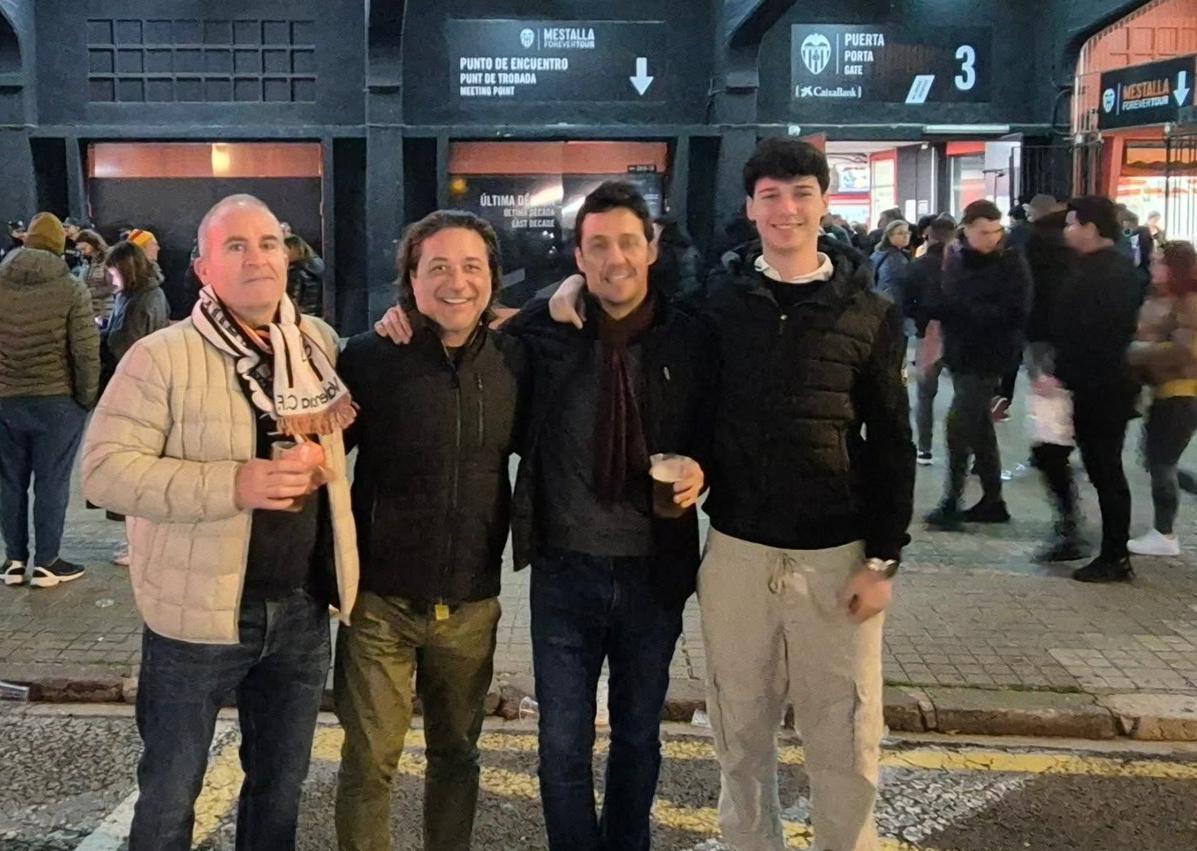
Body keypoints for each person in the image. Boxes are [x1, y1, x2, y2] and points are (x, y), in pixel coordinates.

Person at [80, 194, 360, 850]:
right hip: (195, 620)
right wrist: (231, 483)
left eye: (267, 242)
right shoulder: (161, 356)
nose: (255, 257)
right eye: (234, 246)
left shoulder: (315, 344)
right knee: (171, 793)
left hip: (299, 612)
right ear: (204, 269)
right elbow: (102, 473)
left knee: (278, 790)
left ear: (286, 256)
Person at [666, 138, 911, 851]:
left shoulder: (868, 312)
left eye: (800, 193)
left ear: (823, 202)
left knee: (844, 733)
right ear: (750, 208)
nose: (786, 209)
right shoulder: (716, 304)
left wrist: (884, 557)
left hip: (838, 555)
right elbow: (698, 413)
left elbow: (891, 439)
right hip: (738, 549)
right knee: (738, 731)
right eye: (770, 195)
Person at [333, 211, 528, 851]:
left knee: (458, 758)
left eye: (472, 266)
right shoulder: (369, 357)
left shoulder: (514, 358)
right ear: (410, 282)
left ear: (493, 280)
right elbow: (321, 457)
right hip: (379, 605)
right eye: (437, 267)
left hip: (471, 602)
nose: (456, 282)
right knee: (369, 766)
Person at [1032, 196, 1141, 582]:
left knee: (1104, 469)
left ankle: (1115, 554)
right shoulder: (1091, 266)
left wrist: (1063, 375)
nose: (1067, 231)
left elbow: (1099, 335)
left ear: (1092, 228)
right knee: (1054, 456)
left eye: (1073, 223)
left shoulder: (1112, 272)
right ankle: (1076, 534)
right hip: (1082, 384)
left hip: (1101, 388)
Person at [0, 212, 100, 589]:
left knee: (9, 482)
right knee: (52, 482)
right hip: (57, 401)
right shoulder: (70, 288)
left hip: (5, 399)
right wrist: (86, 398)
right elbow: (85, 350)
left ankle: (13, 560)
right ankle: (47, 562)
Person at [925, 200, 1032, 530]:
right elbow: (941, 299)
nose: (991, 238)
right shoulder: (954, 258)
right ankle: (993, 500)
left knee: (958, 424)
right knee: (979, 426)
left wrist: (963, 309)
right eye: (983, 232)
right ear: (966, 230)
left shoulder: (1011, 263)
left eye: (995, 231)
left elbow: (1016, 311)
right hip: (960, 352)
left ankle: (951, 500)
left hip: (990, 354)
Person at [99, 240, 171, 567]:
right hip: (132, 389)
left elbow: (130, 345)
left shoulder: (144, 300)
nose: (109, 277)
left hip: (139, 393)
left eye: (113, 271)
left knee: (135, 471)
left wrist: (104, 338)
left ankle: (140, 543)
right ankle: (136, 540)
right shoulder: (134, 297)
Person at [1127, 241, 1197, 557]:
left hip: (1181, 392)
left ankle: (1165, 533)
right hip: (1163, 390)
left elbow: (1185, 350)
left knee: (1162, 463)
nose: (1153, 267)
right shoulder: (1162, 297)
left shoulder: (1188, 302)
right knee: (1156, 459)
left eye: (1159, 262)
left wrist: (1138, 352)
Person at [902, 216, 957, 465]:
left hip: (928, 336)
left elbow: (906, 301)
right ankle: (969, 449)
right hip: (960, 333)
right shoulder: (962, 264)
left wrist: (920, 321)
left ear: (929, 236)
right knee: (965, 394)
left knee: (925, 396)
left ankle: (924, 449)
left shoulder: (917, 265)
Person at [72, 228, 114, 325]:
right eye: (81, 250)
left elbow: (112, 286)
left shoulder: (107, 260)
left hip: (104, 310)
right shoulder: (87, 262)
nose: (83, 252)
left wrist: (90, 292)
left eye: (84, 248)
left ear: (93, 243)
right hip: (91, 310)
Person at [869, 218, 911, 303]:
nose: (905, 236)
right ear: (889, 236)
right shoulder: (894, 259)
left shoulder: (879, 252)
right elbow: (890, 288)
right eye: (900, 233)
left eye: (907, 232)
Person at [285, 234, 325, 315]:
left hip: (301, 314)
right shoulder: (315, 266)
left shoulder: (295, 271)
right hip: (316, 313)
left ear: (292, 248)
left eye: (284, 249)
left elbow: (294, 297)